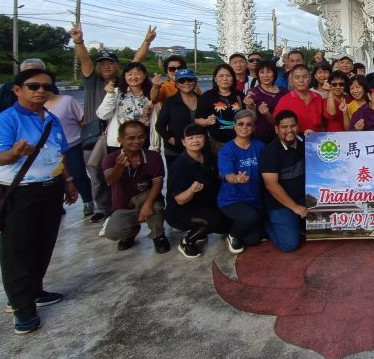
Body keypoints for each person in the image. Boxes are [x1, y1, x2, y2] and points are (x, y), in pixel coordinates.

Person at [0, 68, 78, 334]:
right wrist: (14, 153)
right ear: (17, 89)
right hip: (19, 192)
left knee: (44, 242)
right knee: (18, 250)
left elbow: (59, 154)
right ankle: (21, 307)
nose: (40, 91)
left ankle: (35, 290)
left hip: (50, 188)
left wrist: (68, 182)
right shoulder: (5, 120)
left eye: (46, 87)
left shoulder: (50, 118)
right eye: (33, 86)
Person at [71, 22, 155, 224]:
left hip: (120, 134)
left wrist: (146, 42)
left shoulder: (122, 85)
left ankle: (120, 209)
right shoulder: (92, 80)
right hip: (95, 132)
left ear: (118, 67)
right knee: (96, 170)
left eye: (110, 63)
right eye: (102, 63)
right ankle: (103, 207)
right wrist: (79, 41)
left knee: (123, 172)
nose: (106, 66)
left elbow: (137, 62)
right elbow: (84, 62)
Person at [101, 120, 169, 253]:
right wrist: (119, 167)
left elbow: (158, 183)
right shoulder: (110, 158)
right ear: (120, 139)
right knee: (113, 232)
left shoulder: (153, 157)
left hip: (146, 197)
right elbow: (110, 180)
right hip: (123, 204)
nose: (137, 141)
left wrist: (148, 204)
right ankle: (130, 234)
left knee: (156, 206)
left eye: (140, 137)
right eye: (131, 138)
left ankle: (158, 235)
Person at [164, 124, 227, 258]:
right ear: (183, 142)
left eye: (199, 136)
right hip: (180, 211)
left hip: (203, 205)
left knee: (227, 222)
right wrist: (191, 190)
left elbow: (218, 178)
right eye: (190, 138)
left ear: (205, 139)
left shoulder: (209, 157)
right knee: (213, 220)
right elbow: (180, 200)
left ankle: (200, 231)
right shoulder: (179, 166)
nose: (195, 141)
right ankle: (187, 242)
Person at [217, 109, 267, 254]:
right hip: (232, 200)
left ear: (254, 128)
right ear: (234, 126)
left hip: (254, 199)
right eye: (240, 124)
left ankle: (242, 225)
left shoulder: (260, 146)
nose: (244, 127)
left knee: (253, 240)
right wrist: (236, 178)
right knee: (250, 216)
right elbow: (228, 176)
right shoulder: (226, 150)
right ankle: (232, 235)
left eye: (249, 124)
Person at [43, 80, 92, 217]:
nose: (40, 91)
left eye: (44, 86)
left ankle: (88, 200)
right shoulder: (36, 106)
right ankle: (57, 205)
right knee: (54, 178)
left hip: (72, 144)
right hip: (49, 149)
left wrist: (87, 138)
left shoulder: (67, 101)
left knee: (78, 175)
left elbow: (82, 120)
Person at [261, 110, 308, 251]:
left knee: (324, 227)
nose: (289, 130)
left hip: (304, 198)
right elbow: (271, 185)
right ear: (276, 129)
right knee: (289, 244)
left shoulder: (304, 140)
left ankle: (297, 222)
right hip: (280, 203)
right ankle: (267, 223)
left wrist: (317, 137)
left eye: (293, 126)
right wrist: (295, 207)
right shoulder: (270, 152)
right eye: (284, 127)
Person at [95, 61, 153, 162]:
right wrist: (110, 95)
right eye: (129, 74)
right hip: (119, 141)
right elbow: (103, 115)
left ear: (144, 75)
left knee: (140, 169)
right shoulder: (116, 92)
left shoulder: (151, 94)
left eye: (137, 73)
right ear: (125, 76)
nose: (133, 77)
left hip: (142, 139)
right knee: (120, 171)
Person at [195, 64, 243, 154]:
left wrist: (251, 106)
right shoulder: (207, 96)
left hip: (239, 142)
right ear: (215, 79)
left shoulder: (239, 95)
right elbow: (197, 120)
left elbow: (246, 115)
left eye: (228, 75)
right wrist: (206, 122)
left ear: (233, 78)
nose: (225, 79)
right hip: (216, 144)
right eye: (221, 76)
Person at [156, 68, 200, 163]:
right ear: (176, 84)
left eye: (189, 80)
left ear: (195, 81)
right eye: (181, 80)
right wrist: (174, 141)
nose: (186, 83)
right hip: (175, 151)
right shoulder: (169, 102)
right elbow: (159, 126)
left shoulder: (203, 100)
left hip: (199, 150)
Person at [0, 58, 46, 123]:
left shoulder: (49, 88)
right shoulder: (8, 88)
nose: (32, 74)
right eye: (28, 72)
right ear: (21, 73)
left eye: (37, 72)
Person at [244, 59, 286, 143]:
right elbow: (250, 117)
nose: (265, 75)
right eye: (262, 72)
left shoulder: (284, 92)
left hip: (282, 135)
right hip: (260, 137)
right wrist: (250, 106)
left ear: (274, 73)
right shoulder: (253, 92)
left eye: (269, 72)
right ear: (258, 75)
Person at [274, 64, 325, 134]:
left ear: (310, 79)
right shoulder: (284, 101)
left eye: (304, 77)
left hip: (316, 140)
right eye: (297, 77)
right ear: (291, 80)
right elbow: (277, 124)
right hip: (294, 142)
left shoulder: (318, 98)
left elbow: (323, 124)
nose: (301, 80)